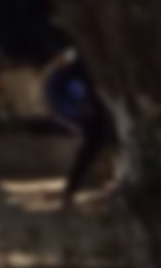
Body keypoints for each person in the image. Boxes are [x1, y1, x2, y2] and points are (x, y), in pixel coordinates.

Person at [50, 55, 116, 207]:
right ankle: (70, 190)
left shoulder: (81, 65)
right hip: (94, 113)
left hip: (97, 110)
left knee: (93, 149)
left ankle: (70, 189)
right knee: (91, 149)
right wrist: (80, 106)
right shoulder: (79, 66)